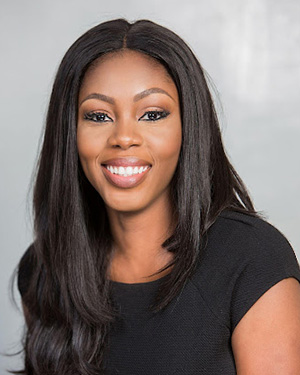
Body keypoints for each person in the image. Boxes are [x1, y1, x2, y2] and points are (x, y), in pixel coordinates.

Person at [16, 18, 300, 375]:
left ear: (188, 128)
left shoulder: (252, 262)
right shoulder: (44, 269)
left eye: (152, 114)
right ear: (70, 133)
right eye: (98, 116)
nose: (124, 137)